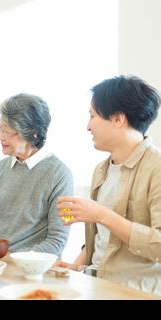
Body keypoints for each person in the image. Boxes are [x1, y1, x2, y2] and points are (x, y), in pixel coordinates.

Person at [57, 76, 161, 295]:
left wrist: (102, 214)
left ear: (117, 119)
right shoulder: (101, 170)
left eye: (92, 116)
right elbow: (102, 239)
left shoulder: (156, 168)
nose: (88, 126)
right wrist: (75, 267)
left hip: (134, 291)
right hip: (95, 284)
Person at [0, 93, 73, 256]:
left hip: (26, 267)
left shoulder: (59, 174)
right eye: (0, 127)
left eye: (8, 131)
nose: (0, 136)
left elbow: (56, 241)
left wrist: (10, 259)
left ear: (34, 133)